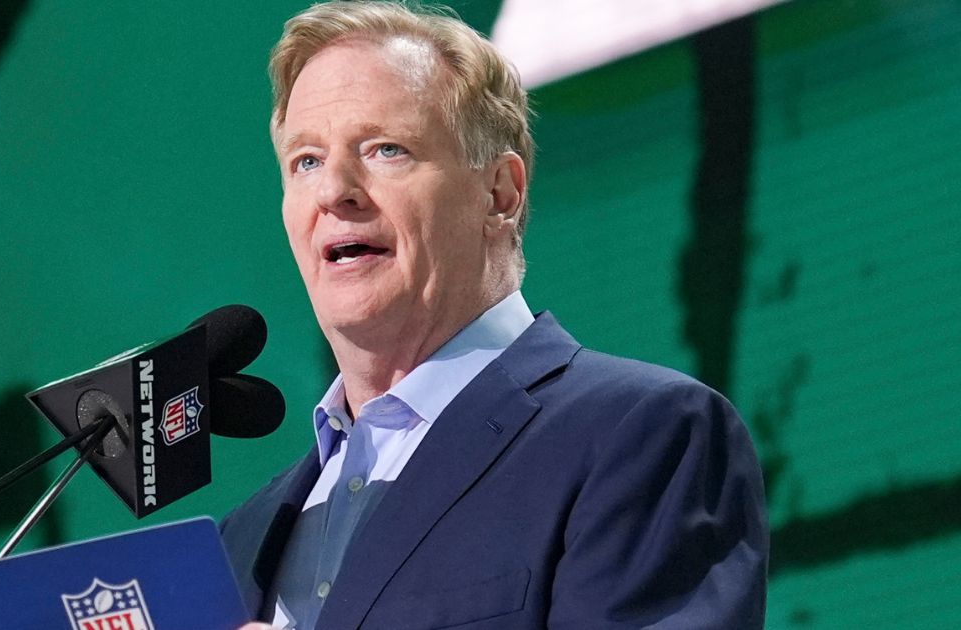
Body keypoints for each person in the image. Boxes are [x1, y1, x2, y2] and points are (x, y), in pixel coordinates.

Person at [222, 2, 768, 628]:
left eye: (385, 149)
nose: (333, 190)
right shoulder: (244, 536)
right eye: (306, 161)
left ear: (500, 194)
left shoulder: (642, 435)